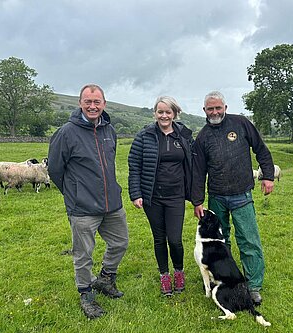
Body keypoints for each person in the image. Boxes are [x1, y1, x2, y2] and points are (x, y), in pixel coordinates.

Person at [48, 84, 129, 319]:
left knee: (120, 242)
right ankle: (86, 295)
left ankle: (105, 279)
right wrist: (73, 193)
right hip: (82, 207)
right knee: (84, 254)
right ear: (80, 103)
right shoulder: (66, 133)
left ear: (104, 103)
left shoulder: (109, 130)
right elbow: (55, 169)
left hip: (111, 203)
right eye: (88, 102)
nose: (92, 106)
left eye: (97, 102)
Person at [191, 91, 274, 305]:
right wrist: (198, 201)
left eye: (218, 108)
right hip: (217, 196)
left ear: (225, 107)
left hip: (242, 194)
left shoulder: (241, 124)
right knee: (219, 241)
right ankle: (223, 279)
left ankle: (253, 286)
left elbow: (261, 150)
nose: (215, 112)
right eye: (211, 109)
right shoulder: (203, 137)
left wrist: (268, 176)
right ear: (204, 111)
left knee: (249, 240)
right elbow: (198, 172)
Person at [128, 96, 193, 296]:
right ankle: (164, 275)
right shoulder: (144, 136)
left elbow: (195, 163)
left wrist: (195, 192)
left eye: (168, 112)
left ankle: (179, 271)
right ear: (155, 113)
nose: (164, 116)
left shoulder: (184, 135)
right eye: (160, 112)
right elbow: (134, 166)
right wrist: (136, 193)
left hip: (176, 196)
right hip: (152, 197)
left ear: (175, 113)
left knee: (174, 239)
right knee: (159, 238)